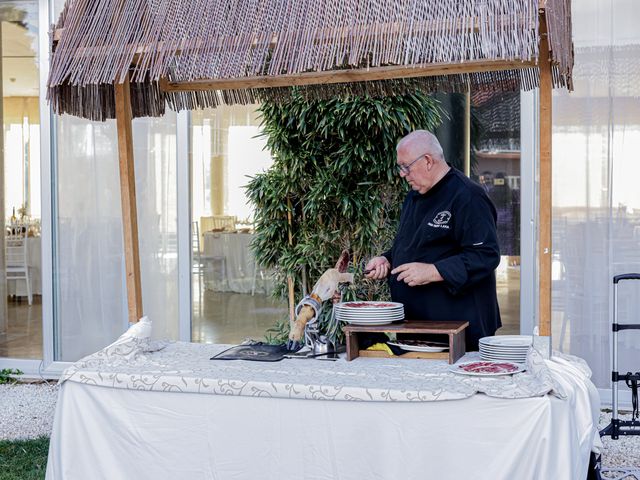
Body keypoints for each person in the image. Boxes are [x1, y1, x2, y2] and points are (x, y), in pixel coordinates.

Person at [365, 130, 501, 350]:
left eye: (406, 166)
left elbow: (486, 255)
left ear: (428, 160)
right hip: (416, 326)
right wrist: (386, 259)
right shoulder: (414, 196)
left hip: (459, 327)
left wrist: (433, 271)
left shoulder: (468, 196)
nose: (402, 174)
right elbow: (413, 245)